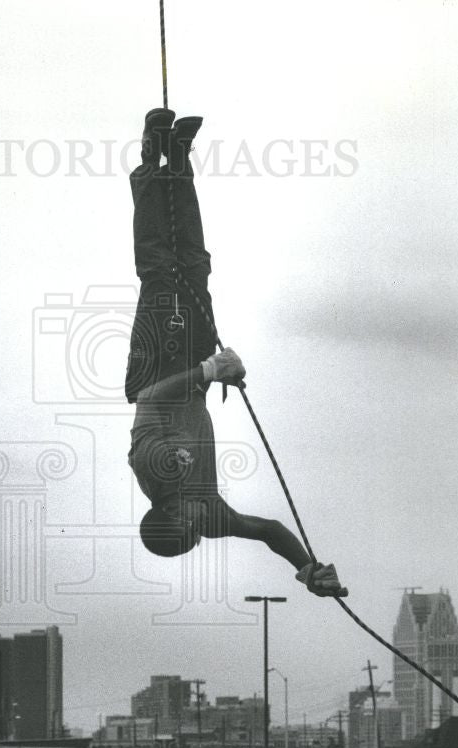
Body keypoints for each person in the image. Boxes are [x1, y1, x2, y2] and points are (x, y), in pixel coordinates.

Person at [125, 107, 347, 598]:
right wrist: (307, 569)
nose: (202, 527)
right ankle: (178, 159)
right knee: (198, 265)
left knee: (162, 270)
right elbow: (267, 530)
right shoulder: (208, 517)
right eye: (197, 536)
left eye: (189, 527)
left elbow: (147, 400)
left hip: (159, 365)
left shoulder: (153, 468)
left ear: (166, 511)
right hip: (199, 375)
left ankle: (149, 161)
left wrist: (210, 368)